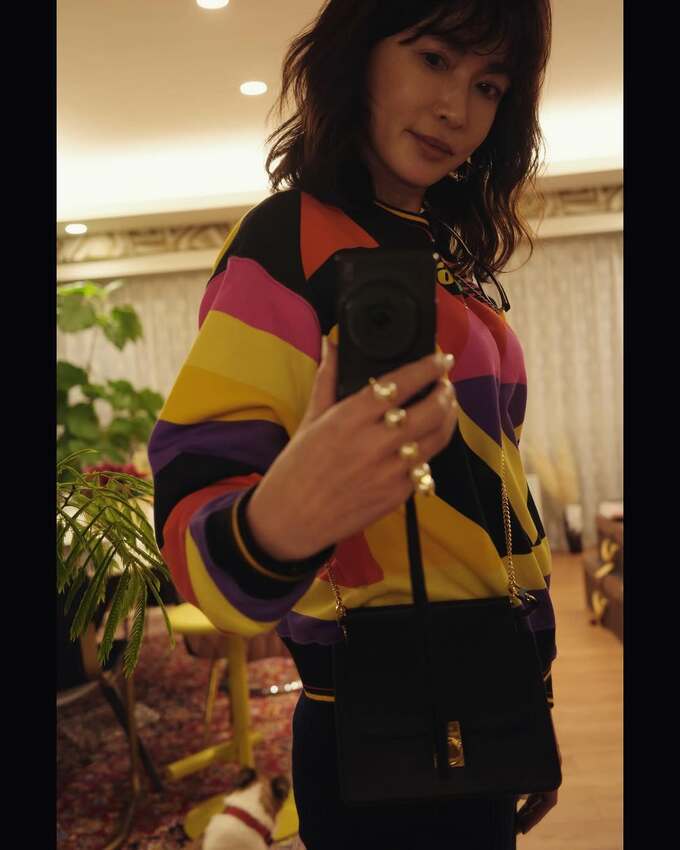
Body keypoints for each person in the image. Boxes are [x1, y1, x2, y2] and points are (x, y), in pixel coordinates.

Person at [148, 1, 558, 847]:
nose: (457, 109)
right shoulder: (287, 242)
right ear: (358, 55)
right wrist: (277, 523)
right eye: (434, 59)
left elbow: (499, 502)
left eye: (489, 85)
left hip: (488, 692)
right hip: (379, 719)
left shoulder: (447, 259)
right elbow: (193, 535)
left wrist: (531, 697)